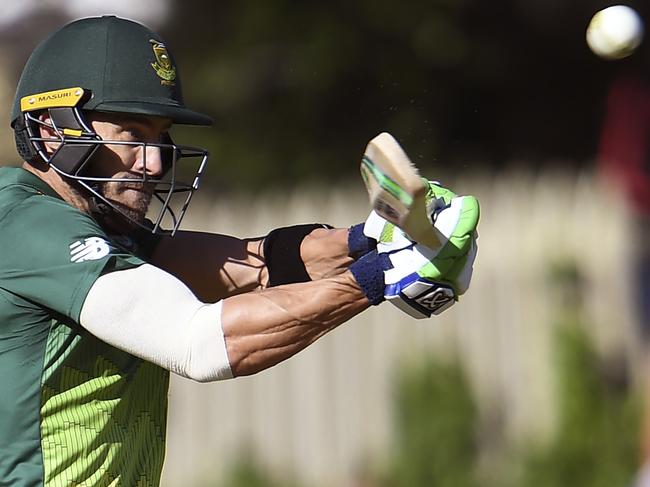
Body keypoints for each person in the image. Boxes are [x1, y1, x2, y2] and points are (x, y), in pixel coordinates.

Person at [0, 15, 479, 486]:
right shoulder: (25, 225)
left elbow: (259, 265)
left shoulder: (100, 228)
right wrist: (384, 275)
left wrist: (367, 239)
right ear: (51, 128)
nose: (153, 162)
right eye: (131, 136)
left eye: (160, 137)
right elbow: (198, 342)